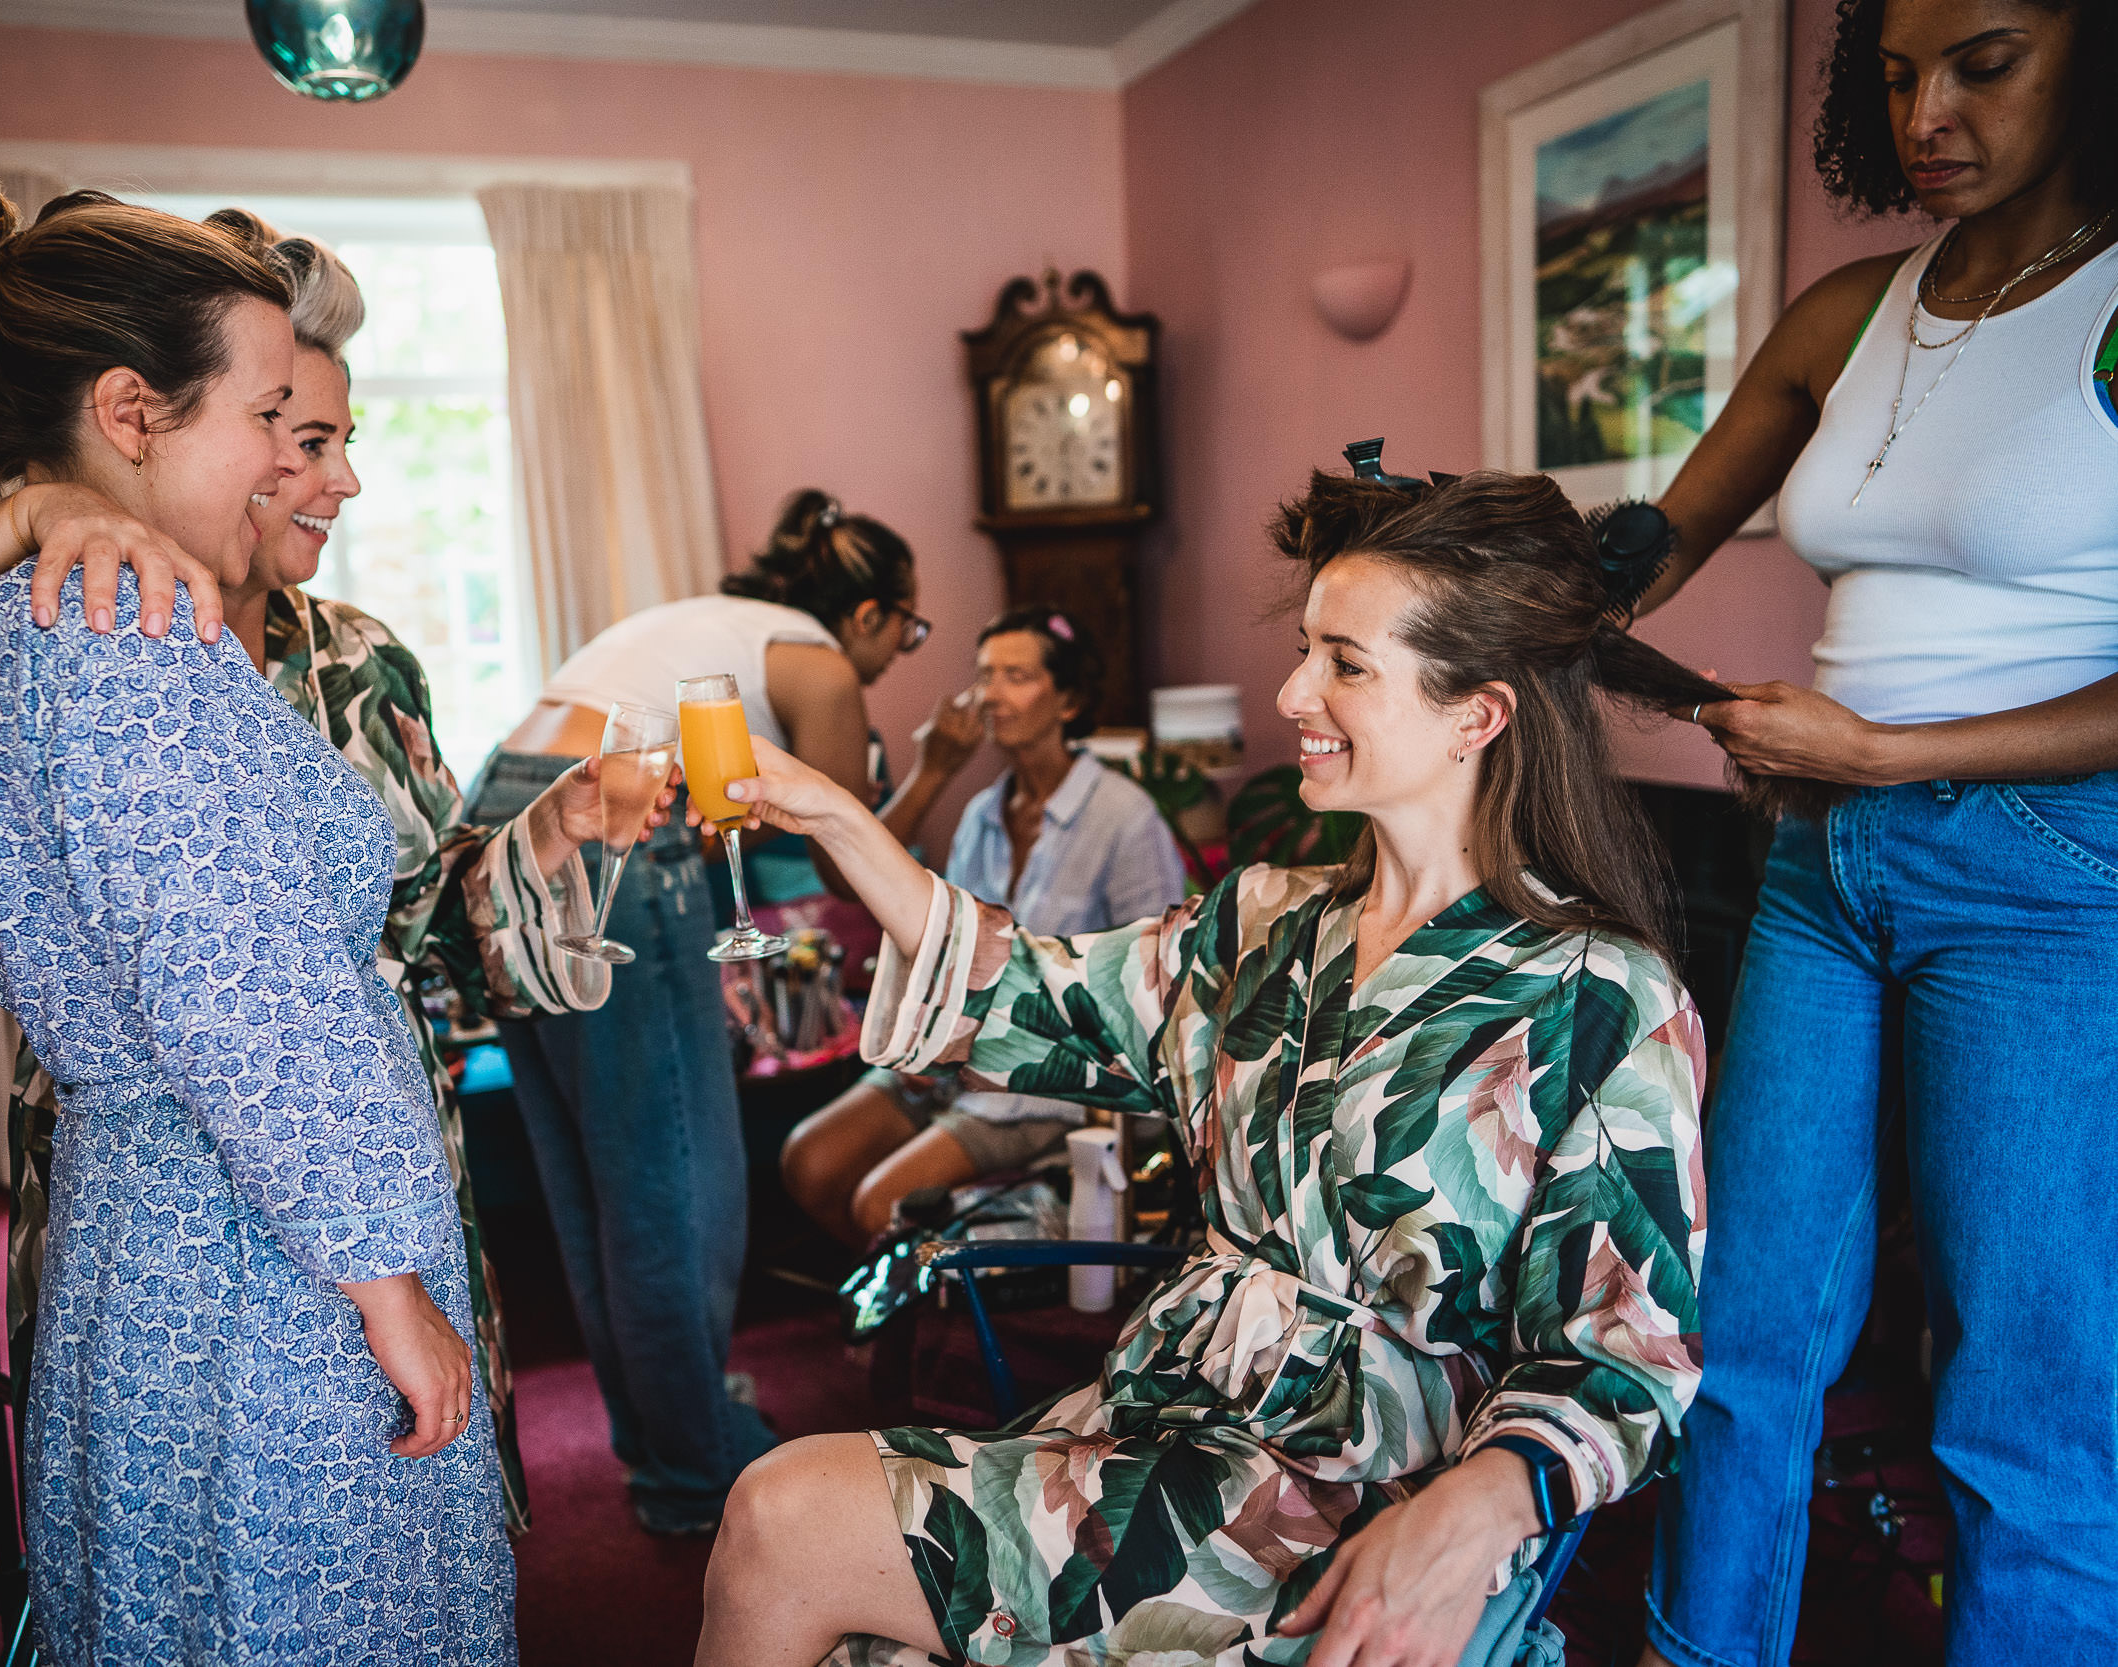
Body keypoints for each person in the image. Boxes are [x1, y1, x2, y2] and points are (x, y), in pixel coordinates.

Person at [0, 169, 648, 1662]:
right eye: (274, 417)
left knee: (183, 1605)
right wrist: (388, 1285)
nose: (302, 462)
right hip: (264, 1254)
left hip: (149, 1227)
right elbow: (250, 1007)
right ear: (135, 414)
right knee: (306, 1612)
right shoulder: (137, 637)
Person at [691, 467, 1714, 1667]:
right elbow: (1031, 988)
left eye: (1344, 662)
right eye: (1304, 650)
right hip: (1162, 1422)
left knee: (780, 1519)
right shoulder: (1262, 922)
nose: (1291, 692)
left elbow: (1627, 1354)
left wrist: (1468, 1510)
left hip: (1354, 1505)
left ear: (1474, 715)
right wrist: (833, 816)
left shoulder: (1599, 992)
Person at [1633, 3, 2118, 1661]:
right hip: (1819, 866)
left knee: (2023, 1388)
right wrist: (1464, 566)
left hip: (2050, 881)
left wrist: (1894, 748)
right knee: (1741, 1333)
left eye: (1985, 60)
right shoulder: (1853, 312)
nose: (1931, 112)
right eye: (1899, 74)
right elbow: (1649, 543)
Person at [468, 489, 939, 1536]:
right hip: (611, 813)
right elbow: (838, 848)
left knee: (591, 1173)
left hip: (506, 802)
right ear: (863, 615)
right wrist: (941, 771)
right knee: (676, 1175)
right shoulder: (815, 658)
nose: (900, 653)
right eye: (906, 628)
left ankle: (666, 1434)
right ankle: (691, 1474)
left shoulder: (708, 621)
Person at [778, 605, 1187, 1249]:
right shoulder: (979, 815)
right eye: (984, 674)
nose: (990, 693)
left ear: (1070, 699)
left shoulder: (1125, 819)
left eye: (1016, 675)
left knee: (878, 1205)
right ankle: (917, 1299)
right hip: (947, 1058)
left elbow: (1159, 987)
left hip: (1045, 1085)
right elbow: (940, 945)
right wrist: (928, 1043)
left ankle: (932, 1324)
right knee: (809, 1161)